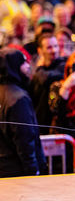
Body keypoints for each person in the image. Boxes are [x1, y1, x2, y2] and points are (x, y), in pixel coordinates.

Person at [0, 48, 46, 177]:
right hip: (17, 172)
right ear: (14, 66)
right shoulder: (18, 99)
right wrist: (33, 170)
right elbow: (25, 140)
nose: (28, 67)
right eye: (23, 62)